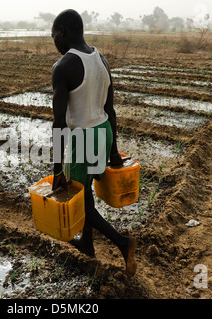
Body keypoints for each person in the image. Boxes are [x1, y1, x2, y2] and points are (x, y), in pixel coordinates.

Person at [50, 9, 137, 276]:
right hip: (102, 131)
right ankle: (86, 243)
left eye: (53, 35)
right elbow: (110, 110)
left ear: (62, 32)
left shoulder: (63, 66)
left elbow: (59, 123)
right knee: (85, 191)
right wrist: (113, 151)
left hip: (83, 139)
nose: (53, 40)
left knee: (79, 200)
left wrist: (56, 171)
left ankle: (123, 243)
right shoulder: (101, 60)